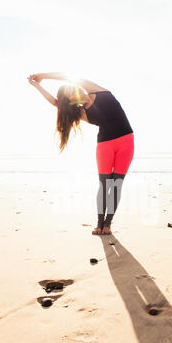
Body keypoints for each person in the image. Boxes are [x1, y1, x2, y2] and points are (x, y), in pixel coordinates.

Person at [27, 73, 134, 235]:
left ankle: (108, 224)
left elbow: (65, 76)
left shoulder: (97, 90)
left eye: (75, 89)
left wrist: (42, 76)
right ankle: (99, 224)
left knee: (117, 184)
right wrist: (37, 86)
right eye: (72, 94)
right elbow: (55, 102)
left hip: (126, 142)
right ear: (71, 102)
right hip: (105, 145)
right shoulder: (81, 113)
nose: (78, 92)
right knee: (105, 184)